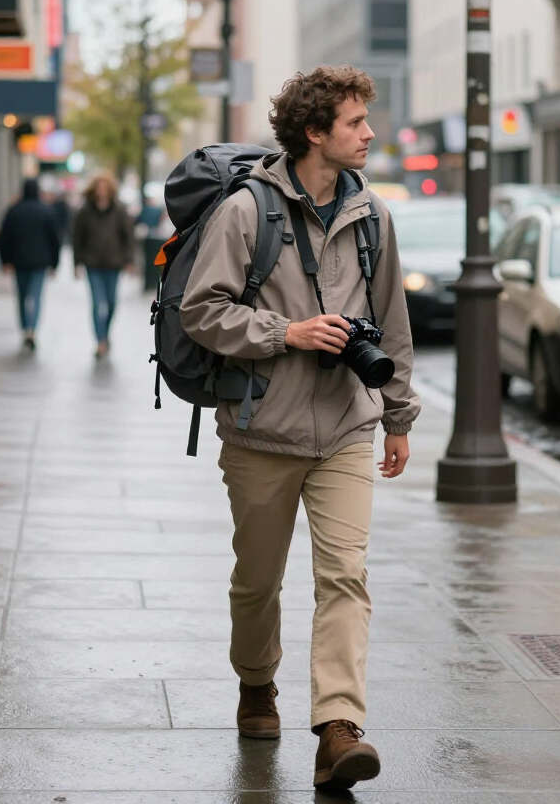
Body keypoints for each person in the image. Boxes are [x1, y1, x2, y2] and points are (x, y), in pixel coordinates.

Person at [180, 66, 419, 791]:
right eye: (354, 123)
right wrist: (289, 332)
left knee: (345, 575)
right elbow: (202, 309)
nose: (370, 133)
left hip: (347, 425)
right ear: (316, 132)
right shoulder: (248, 212)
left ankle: (338, 728)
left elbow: (397, 325)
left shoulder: (373, 216)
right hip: (262, 429)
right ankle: (257, 685)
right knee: (258, 581)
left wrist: (399, 417)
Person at [72, 169, 136, 358]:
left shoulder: (119, 210)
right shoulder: (85, 211)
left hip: (113, 264)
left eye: (105, 187)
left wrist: (129, 260)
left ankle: (106, 334)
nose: (101, 191)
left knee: (111, 303)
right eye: (98, 187)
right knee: (97, 302)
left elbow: (128, 236)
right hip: (93, 264)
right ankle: (100, 340)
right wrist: (77, 263)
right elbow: (77, 238)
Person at [0, 178, 62, 352]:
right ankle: (32, 329)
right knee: (36, 296)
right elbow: (55, 240)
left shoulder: (14, 211)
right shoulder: (46, 211)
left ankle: (25, 328)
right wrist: (55, 263)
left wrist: (5, 260)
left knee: (22, 296)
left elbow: (4, 238)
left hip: (19, 261)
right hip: (40, 263)